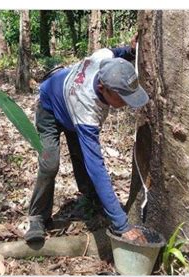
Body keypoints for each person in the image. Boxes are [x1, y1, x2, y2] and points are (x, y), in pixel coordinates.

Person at [25, 37, 148, 244]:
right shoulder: (87, 108)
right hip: (50, 109)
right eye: (122, 98)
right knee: (49, 164)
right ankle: (38, 217)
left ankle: (91, 201)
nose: (127, 104)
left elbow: (114, 53)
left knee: (80, 158)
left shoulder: (103, 59)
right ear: (103, 88)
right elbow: (96, 167)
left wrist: (130, 50)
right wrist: (121, 224)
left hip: (70, 107)